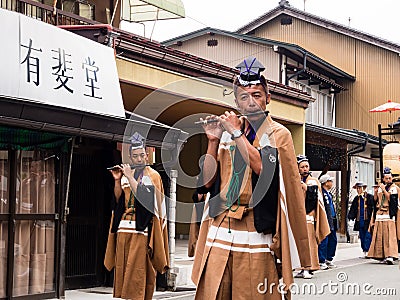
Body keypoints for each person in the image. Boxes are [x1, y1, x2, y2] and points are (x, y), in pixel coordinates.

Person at [192, 57, 311, 299]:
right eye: (244, 97)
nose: (251, 102)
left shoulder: (278, 133)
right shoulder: (227, 133)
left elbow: (264, 170)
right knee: (214, 292)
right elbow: (207, 182)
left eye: (257, 95)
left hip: (255, 226)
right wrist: (213, 142)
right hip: (222, 223)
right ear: (236, 101)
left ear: (268, 98)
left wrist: (235, 132)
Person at [104, 140, 169, 299]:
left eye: (141, 155)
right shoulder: (127, 174)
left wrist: (129, 176)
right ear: (131, 158)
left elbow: (145, 198)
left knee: (138, 268)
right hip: (124, 228)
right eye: (135, 156)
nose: (139, 159)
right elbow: (119, 199)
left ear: (147, 156)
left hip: (142, 229)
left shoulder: (153, 175)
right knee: (123, 267)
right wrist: (118, 180)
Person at [295, 155, 330, 279]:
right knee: (298, 244)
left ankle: (308, 267)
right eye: (302, 167)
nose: (305, 169)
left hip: (309, 216)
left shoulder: (313, 181)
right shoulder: (294, 179)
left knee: (309, 243)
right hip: (297, 217)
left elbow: (317, 200)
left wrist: (305, 188)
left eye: (306, 166)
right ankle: (301, 267)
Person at [367, 167, 398, 264]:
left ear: (392, 178)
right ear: (383, 179)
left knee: (389, 235)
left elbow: (391, 199)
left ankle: (390, 255)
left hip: (389, 213)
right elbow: (375, 200)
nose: (388, 180)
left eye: (389, 178)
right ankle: (380, 255)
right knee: (380, 235)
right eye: (386, 178)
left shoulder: (394, 188)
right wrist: (376, 192)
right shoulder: (380, 187)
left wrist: (384, 189)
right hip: (379, 213)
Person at [348, 182, 374, 258]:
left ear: (364, 188)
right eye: (357, 188)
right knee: (362, 236)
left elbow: (373, 208)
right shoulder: (356, 198)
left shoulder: (370, 197)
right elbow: (353, 209)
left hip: (368, 220)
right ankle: (364, 251)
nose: (358, 190)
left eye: (359, 188)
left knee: (368, 235)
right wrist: (351, 217)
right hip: (360, 220)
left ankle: (368, 250)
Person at [318, 174, 338, 269]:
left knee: (333, 239)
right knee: (324, 240)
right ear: (326, 182)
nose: (332, 183)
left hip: (332, 219)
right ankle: (321, 260)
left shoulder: (329, 193)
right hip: (325, 219)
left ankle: (329, 259)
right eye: (330, 181)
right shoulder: (321, 193)